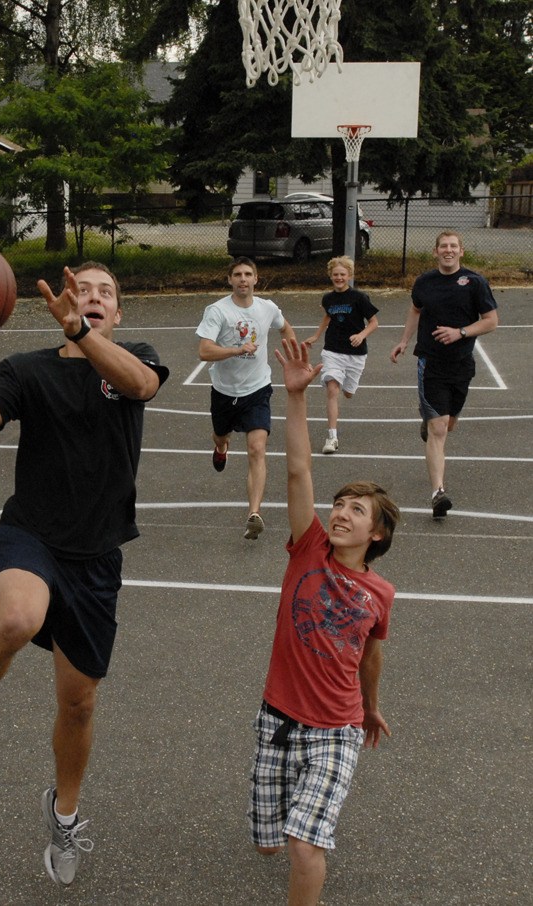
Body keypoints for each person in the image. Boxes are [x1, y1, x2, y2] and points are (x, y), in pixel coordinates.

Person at [0, 262, 168, 887]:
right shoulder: (27, 369)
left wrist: (83, 332)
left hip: (98, 556)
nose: (93, 298)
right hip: (33, 536)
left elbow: (141, 387)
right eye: (85, 291)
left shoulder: (137, 358)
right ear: (65, 300)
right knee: (19, 616)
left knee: (78, 702)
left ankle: (64, 814)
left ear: (118, 314)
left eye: (106, 294)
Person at [248, 338, 400, 906]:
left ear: (376, 534)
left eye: (356, 510)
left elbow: (371, 652)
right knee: (271, 844)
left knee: (304, 844)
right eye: (339, 504)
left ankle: (309, 837)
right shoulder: (308, 547)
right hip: (278, 718)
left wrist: (371, 706)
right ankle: (298, 827)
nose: (339, 512)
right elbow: (297, 469)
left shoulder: (380, 592)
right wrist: (294, 398)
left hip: (336, 730)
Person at [390, 231, 498, 518]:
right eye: (443, 247)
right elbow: (415, 310)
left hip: (462, 366)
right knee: (438, 431)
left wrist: (460, 332)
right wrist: (404, 341)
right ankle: (438, 492)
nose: (448, 251)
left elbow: (491, 321)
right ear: (435, 252)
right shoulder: (424, 282)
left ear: (461, 251)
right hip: (431, 363)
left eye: (453, 246)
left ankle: (430, 421)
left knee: (448, 425)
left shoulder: (475, 282)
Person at [196, 256, 296, 540]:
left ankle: (254, 513)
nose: (242, 279)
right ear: (230, 280)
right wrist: (236, 350)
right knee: (221, 435)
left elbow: (284, 327)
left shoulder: (267, 308)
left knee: (257, 449)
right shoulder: (218, 311)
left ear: (256, 279)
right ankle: (221, 447)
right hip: (225, 391)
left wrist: (294, 356)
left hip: (258, 389)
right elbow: (204, 351)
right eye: (237, 274)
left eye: (248, 274)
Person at [303, 256, 379, 454]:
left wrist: (361, 335)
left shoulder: (360, 298)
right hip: (332, 351)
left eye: (342, 274)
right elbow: (328, 316)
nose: (339, 278)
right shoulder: (327, 299)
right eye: (335, 274)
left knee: (348, 393)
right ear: (330, 276)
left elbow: (374, 322)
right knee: (332, 389)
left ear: (349, 276)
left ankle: (347, 384)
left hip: (356, 354)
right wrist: (316, 336)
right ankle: (332, 437)